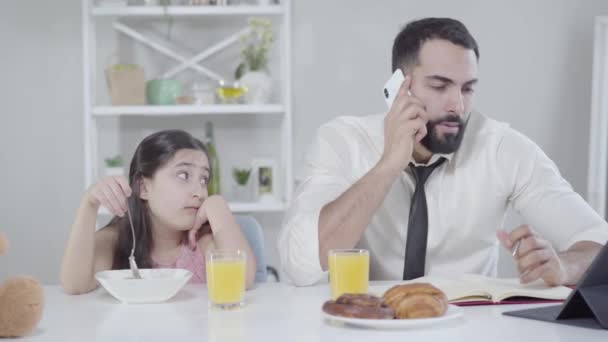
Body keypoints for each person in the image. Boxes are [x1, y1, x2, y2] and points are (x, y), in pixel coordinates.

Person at [279, 17, 608, 287]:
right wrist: (388, 166)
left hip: (467, 330)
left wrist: (563, 268)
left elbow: (599, 244)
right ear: (398, 88)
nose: (458, 105)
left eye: (468, 88)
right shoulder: (342, 141)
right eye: (439, 86)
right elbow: (301, 265)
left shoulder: (503, 149)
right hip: (363, 324)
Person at [61, 129, 256, 294]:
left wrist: (220, 210)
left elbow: (243, 281)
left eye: (204, 179)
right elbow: (75, 285)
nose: (200, 192)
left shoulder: (203, 241)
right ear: (143, 188)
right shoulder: (117, 240)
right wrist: (89, 204)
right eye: (183, 175)